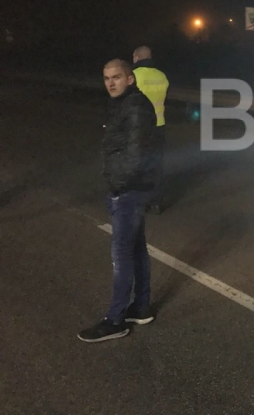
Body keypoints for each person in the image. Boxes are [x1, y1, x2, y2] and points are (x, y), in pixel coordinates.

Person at [78, 59, 157, 342]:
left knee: (121, 255)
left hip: (128, 190)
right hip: (132, 188)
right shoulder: (124, 104)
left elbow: (136, 155)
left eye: (116, 77)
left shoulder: (134, 107)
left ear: (130, 78)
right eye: (106, 78)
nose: (111, 83)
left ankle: (115, 320)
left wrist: (117, 186)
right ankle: (141, 308)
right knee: (136, 249)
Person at [132, 46, 169, 213]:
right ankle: (156, 202)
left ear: (137, 57)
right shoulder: (162, 76)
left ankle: (141, 201)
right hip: (159, 125)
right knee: (156, 165)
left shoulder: (134, 76)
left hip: (139, 127)